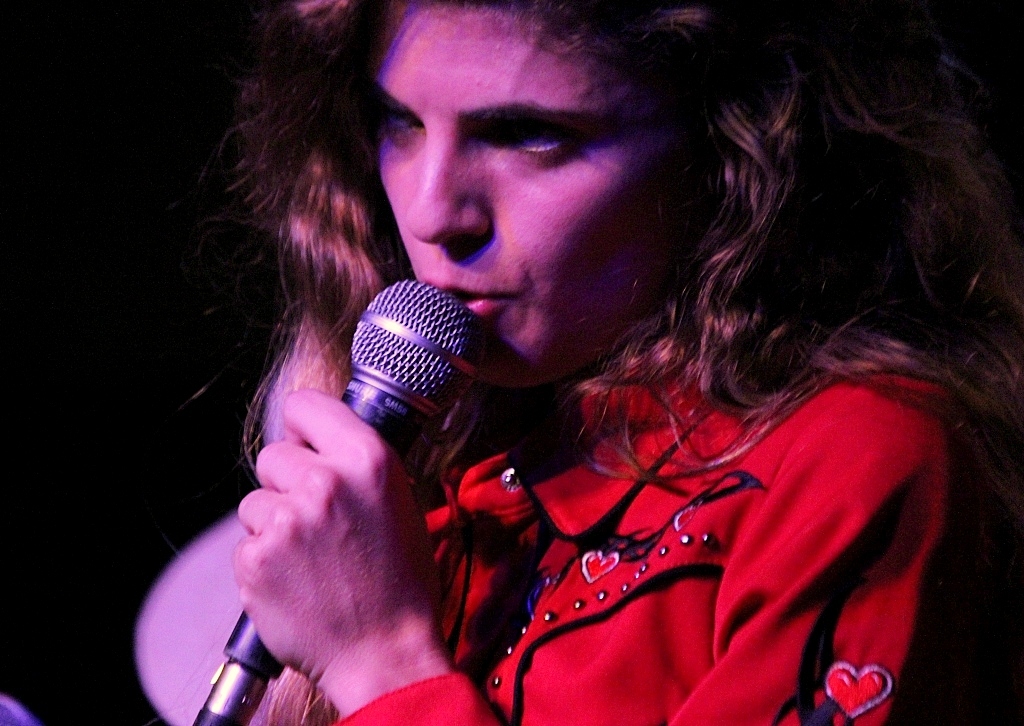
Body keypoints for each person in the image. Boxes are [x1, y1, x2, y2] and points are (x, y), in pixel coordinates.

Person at [221, 0, 1024, 724]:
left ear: (735, 148)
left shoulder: (855, 457)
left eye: (528, 134)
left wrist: (383, 664)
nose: (433, 213)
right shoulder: (451, 441)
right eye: (401, 122)